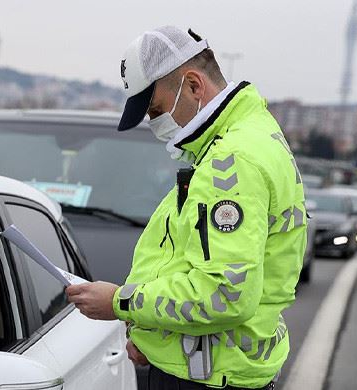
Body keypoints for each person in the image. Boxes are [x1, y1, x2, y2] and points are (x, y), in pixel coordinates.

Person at [65, 26, 306, 389]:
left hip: (206, 379)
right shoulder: (251, 136)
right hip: (213, 366)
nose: (155, 124)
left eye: (156, 110)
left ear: (193, 86)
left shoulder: (232, 161)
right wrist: (161, 339)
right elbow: (189, 261)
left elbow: (225, 294)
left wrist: (120, 302)